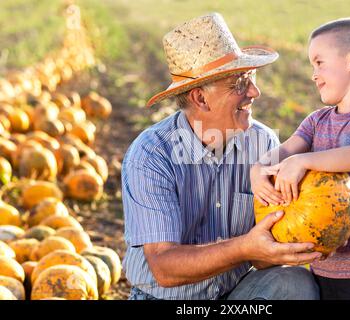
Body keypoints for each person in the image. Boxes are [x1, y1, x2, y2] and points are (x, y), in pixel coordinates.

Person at [121, 12, 321, 300]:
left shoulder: (263, 142)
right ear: (200, 98)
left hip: (233, 296)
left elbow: (263, 253)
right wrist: (244, 247)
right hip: (165, 299)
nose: (255, 91)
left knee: (294, 283)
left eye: (250, 79)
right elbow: (164, 268)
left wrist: (301, 235)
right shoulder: (152, 155)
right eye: (239, 83)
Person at [250, 17, 350, 300]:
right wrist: (258, 169)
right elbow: (285, 151)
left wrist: (304, 161)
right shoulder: (316, 121)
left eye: (319, 62)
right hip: (321, 262)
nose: (313, 74)